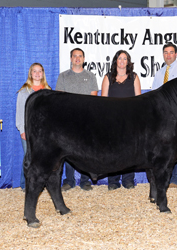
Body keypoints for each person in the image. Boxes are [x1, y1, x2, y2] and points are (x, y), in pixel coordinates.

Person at [56, 48, 99, 191]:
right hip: (68, 120)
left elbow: (93, 99)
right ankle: (69, 180)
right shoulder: (63, 76)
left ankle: (85, 180)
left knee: (86, 151)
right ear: (70, 58)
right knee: (67, 151)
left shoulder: (91, 76)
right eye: (75, 56)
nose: (77, 58)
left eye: (80, 56)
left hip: (86, 120)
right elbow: (59, 99)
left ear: (84, 59)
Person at [152, 42, 177, 188]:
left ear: (176, 54)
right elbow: (155, 95)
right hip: (163, 118)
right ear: (163, 55)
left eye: (171, 52)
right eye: (165, 52)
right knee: (165, 148)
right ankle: (166, 177)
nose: (168, 55)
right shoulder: (159, 73)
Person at [101, 50, 142, 191]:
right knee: (112, 151)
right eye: (120, 58)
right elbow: (103, 101)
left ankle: (128, 179)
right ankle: (113, 181)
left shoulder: (134, 77)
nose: (122, 61)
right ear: (116, 61)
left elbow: (139, 101)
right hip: (112, 121)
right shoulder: (108, 77)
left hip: (130, 121)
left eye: (125, 58)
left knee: (130, 151)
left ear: (128, 62)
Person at [16, 63, 51, 191]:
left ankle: (41, 183)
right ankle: (25, 184)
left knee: (43, 158)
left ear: (43, 73)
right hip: (29, 129)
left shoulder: (48, 91)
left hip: (44, 131)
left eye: (40, 71)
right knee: (29, 157)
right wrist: (22, 129)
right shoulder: (24, 91)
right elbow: (20, 112)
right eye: (34, 71)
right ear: (30, 73)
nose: (37, 74)